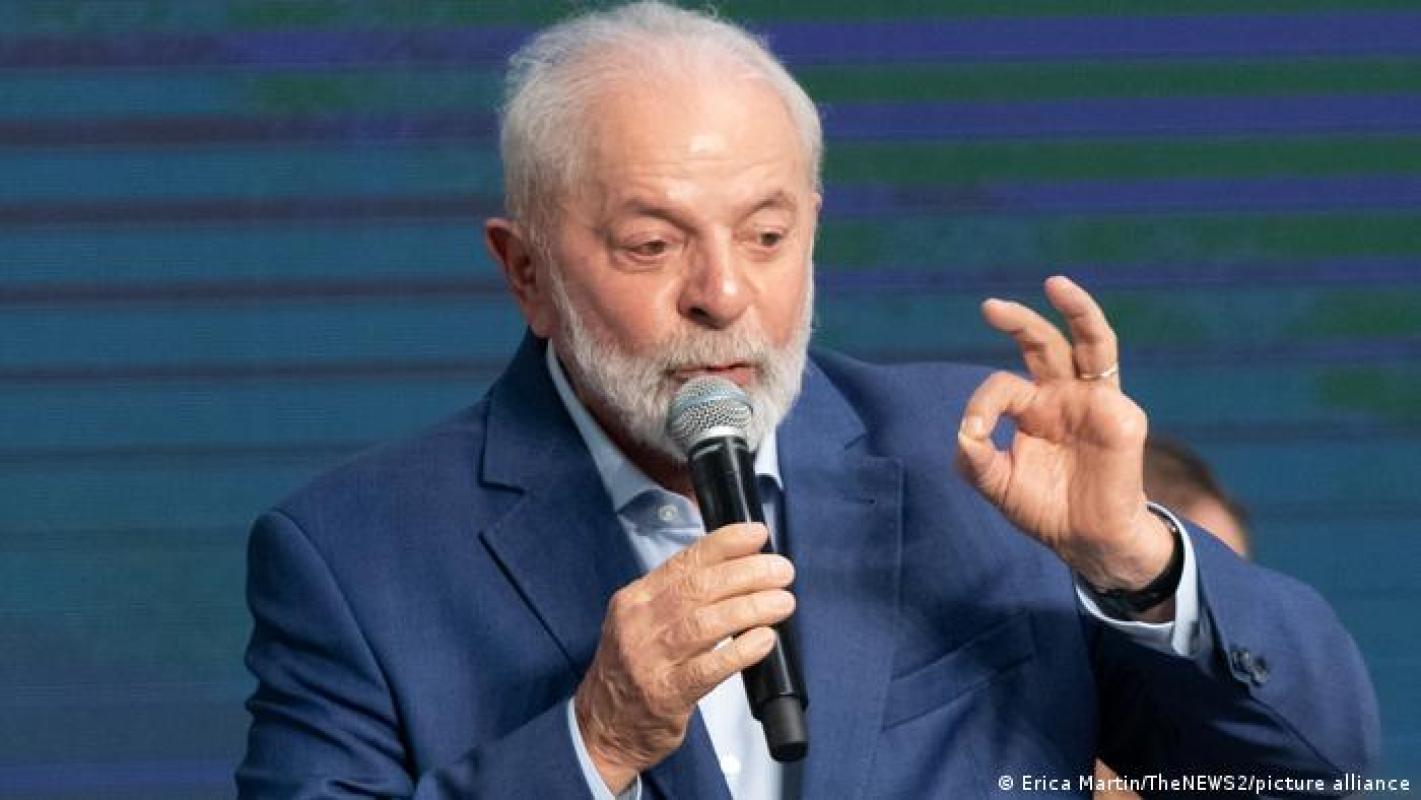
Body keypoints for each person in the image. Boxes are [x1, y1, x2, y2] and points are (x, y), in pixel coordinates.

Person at [237, 3, 1379, 798]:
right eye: (651, 245)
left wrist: (1132, 561)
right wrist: (595, 743)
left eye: (767, 236)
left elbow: (1313, 776)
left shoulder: (975, 460)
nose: (724, 294)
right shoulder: (352, 556)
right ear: (525, 271)